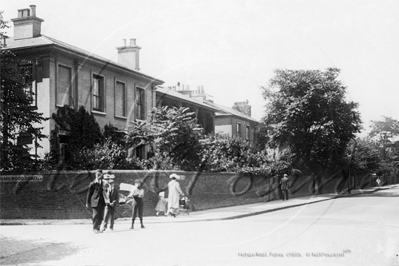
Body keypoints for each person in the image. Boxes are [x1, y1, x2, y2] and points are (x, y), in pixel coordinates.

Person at [86, 169, 106, 233]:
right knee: (96, 215)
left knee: (100, 216)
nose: (98, 175)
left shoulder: (104, 183)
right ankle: (95, 228)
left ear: (102, 174)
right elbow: (89, 193)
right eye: (97, 174)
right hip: (94, 201)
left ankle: (98, 228)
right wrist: (87, 203)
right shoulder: (92, 183)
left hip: (102, 202)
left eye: (99, 174)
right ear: (95, 175)